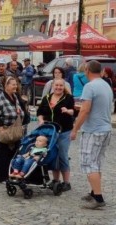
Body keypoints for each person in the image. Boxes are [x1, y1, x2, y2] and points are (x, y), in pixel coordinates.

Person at [70, 60, 112, 210]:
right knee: (97, 162)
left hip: (93, 130)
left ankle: (99, 198)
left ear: (87, 70)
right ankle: (94, 192)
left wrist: (75, 129)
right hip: (105, 129)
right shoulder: (105, 84)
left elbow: (85, 110)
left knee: (90, 164)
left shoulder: (89, 86)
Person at [37, 78, 75, 191]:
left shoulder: (68, 98)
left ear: (64, 87)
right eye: (56, 85)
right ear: (52, 86)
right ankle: (56, 180)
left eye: (61, 86)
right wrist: (40, 120)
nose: (58, 87)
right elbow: (40, 112)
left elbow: (74, 111)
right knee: (53, 155)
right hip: (50, 131)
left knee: (63, 155)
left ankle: (67, 182)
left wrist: (68, 111)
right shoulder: (47, 98)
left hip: (64, 131)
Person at [0, 76, 26, 183]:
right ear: (6, 86)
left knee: (14, 155)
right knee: (3, 156)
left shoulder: (15, 97)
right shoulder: (0, 98)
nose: (15, 86)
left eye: (16, 84)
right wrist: (3, 126)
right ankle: (2, 177)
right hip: (5, 131)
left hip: (15, 131)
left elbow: (22, 111)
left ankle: (12, 174)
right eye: (13, 84)